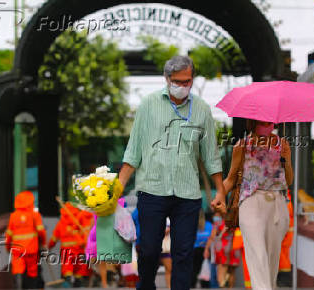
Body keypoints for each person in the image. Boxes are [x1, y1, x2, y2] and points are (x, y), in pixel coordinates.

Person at [118, 55, 225, 290]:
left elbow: (211, 155)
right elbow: (133, 151)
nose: (183, 86)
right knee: (148, 251)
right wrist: (117, 187)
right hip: (152, 189)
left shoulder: (202, 109)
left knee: (184, 254)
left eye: (187, 81)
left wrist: (220, 192)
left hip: (187, 194)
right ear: (167, 79)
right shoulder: (148, 105)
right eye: (177, 81)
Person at [222, 120, 293, 289]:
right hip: (251, 202)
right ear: (252, 123)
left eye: (270, 122)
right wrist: (219, 195)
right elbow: (231, 178)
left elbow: (288, 180)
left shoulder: (282, 144)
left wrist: (287, 159)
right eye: (263, 122)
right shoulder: (242, 145)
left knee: (271, 259)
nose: (267, 126)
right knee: (258, 253)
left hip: (277, 204)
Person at [5, 191, 46, 289]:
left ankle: (19, 279)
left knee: (18, 268)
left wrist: (7, 246)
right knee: (32, 271)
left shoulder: (13, 216)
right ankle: (31, 286)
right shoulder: (35, 215)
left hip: (17, 250)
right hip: (32, 249)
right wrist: (43, 243)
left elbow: (9, 234)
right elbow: (41, 231)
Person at [48, 202, 86, 287]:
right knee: (78, 270)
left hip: (66, 251)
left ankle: (68, 283)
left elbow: (54, 238)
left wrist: (49, 246)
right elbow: (84, 235)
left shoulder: (61, 223)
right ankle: (78, 284)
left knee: (67, 269)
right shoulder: (78, 220)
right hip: (78, 250)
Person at [204, 212, 241, 288]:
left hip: (222, 249)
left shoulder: (218, 223)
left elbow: (212, 237)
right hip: (234, 248)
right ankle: (230, 288)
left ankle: (222, 285)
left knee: (221, 272)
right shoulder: (235, 223)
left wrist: (206, 248)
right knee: (231, 272)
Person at [191, 210, 213, 288]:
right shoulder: (209, 225)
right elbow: (211, 237)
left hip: (197, 250)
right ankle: (204, 286)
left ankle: (192, 286)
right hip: (205, 250)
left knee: (195, 270)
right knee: (203, 270)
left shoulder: (192, 225)